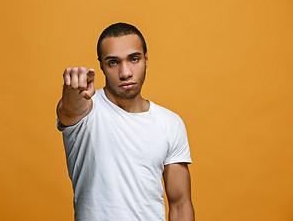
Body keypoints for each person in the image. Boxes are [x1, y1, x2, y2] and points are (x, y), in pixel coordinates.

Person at [56, 22, 194, 221]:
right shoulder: (86, 110)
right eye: (113, 62)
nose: (125, 72)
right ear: (101, 65)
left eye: (134, 59)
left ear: (146, 59)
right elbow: (69, 110)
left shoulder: (170, 123)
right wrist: (72, 90)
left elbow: (181, 204)